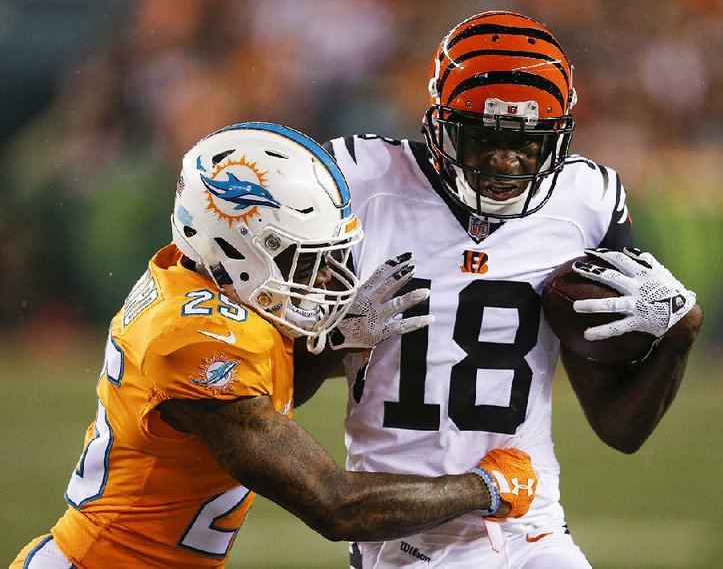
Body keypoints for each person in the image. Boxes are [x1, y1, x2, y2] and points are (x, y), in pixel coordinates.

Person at [10, 122, 540, 568]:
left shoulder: (206, 284)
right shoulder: (196, 340)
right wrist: (485, 488)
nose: (323, 277)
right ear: (237, 243)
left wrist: (334, 338)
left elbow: (264, 406)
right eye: (302, 257)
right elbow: (335, 505)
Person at [294, 11, 704, 568]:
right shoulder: (357, 182)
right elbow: (280, 389)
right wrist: (334, 336)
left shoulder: (584, 203)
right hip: (405, 533)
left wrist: (681, 332)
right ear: (439, 125)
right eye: (484, 138)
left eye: (527, 143)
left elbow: (620, 429)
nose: (504, 161)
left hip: (532, 526)